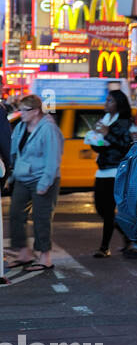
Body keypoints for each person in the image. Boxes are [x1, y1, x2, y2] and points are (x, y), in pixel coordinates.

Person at [5, 95, 63, 272]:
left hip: (43, 178)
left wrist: (45, 183)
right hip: (23, 177)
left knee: (41, 218)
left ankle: (45, 257)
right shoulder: (21, 127)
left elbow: (53, 159)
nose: (20, 113)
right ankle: (24, 253)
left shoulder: (48, 129)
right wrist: (11, 175)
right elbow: (14, 152)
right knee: (15, 214)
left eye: (24, 110)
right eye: (20, 109)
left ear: (36, 111)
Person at [85, 90, 134, 258]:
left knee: (108, 210)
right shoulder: (104, 120)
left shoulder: (124, 122)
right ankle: (127, 235)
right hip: (102, 169)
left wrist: (107, 134)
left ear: (118, 103)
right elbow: (102, 146)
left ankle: (104, 247)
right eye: (106, 100)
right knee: (100, 208)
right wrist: (94, 142)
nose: (106, 103)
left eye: (110, 100)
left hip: (116, 170)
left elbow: (125, 145)